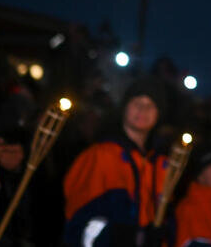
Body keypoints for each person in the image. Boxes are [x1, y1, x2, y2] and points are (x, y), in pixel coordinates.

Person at [63, 76, 169, 247]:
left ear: (158, 114)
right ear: (125, 108)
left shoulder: (162, 164)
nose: (143, 110)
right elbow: (78, 214)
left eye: (151, 105)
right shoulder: (100, 154)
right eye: (137, 103)